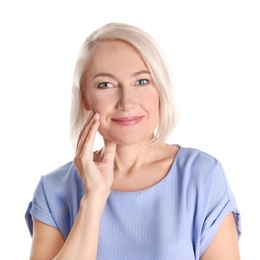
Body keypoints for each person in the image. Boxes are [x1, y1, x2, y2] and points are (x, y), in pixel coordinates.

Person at [25, 22, 241, 259]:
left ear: (161, 88)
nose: (126, 102)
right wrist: (94, 199)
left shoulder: (201, 176)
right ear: (85, 97)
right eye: (106, 85)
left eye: (141, 81)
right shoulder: (54, 190)